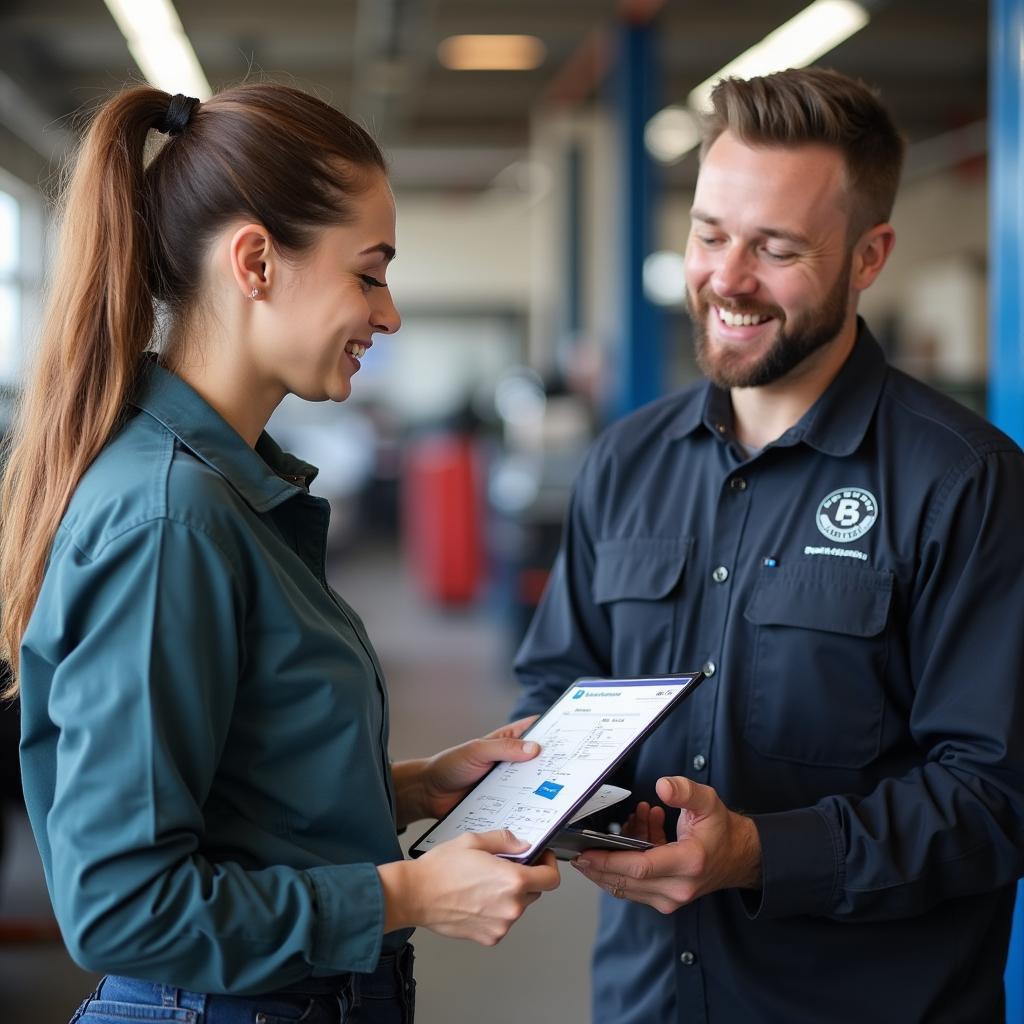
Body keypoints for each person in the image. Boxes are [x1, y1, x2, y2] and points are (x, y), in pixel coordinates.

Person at [0, 84, 561, 1024]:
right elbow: (122, 907)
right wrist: (408, 895)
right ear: (256, 261)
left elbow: (232, 793)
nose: (388, 317)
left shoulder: (229, 491)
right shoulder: (170, 518)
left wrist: (418, 785)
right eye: (369, 273)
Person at [512, 67, 1024, 1023]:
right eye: (710, 234)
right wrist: (581, 808)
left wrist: (755, 852)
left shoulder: (965, 484)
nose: (727, 279)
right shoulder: (626, 460)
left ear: (869, 256)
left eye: (776, 247)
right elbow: (558, 691)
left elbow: (995, 799)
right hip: (648, 1000)